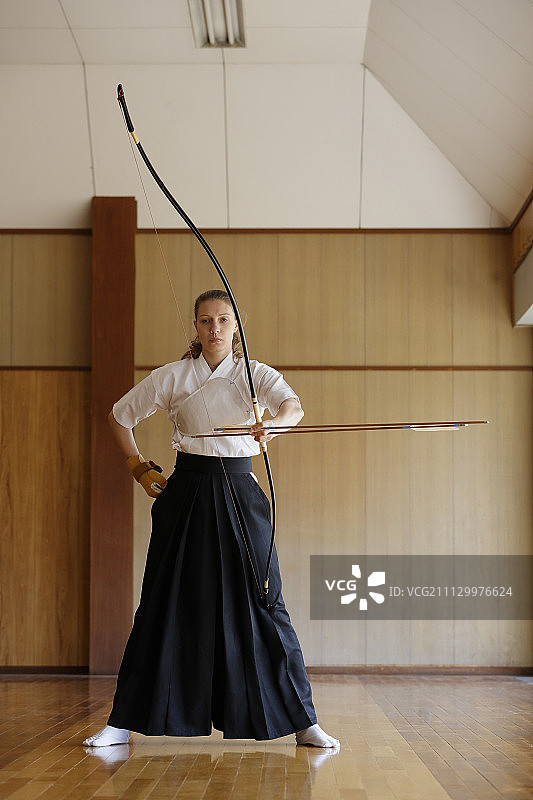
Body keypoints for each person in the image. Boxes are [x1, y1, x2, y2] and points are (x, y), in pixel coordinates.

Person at [83, 289, 339, 749]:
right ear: (196, 327)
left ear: (235, 326)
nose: (214, 328)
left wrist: (274, 425)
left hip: (242, 491)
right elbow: (120, 417)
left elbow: (293, 407)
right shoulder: (174, 376)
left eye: (223, 320)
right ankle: (121, 722)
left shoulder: (255, 373)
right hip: (188, 490)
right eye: (205, 321)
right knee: (163, 598)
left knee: (265, 600)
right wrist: (139, 469)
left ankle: (304, 721)